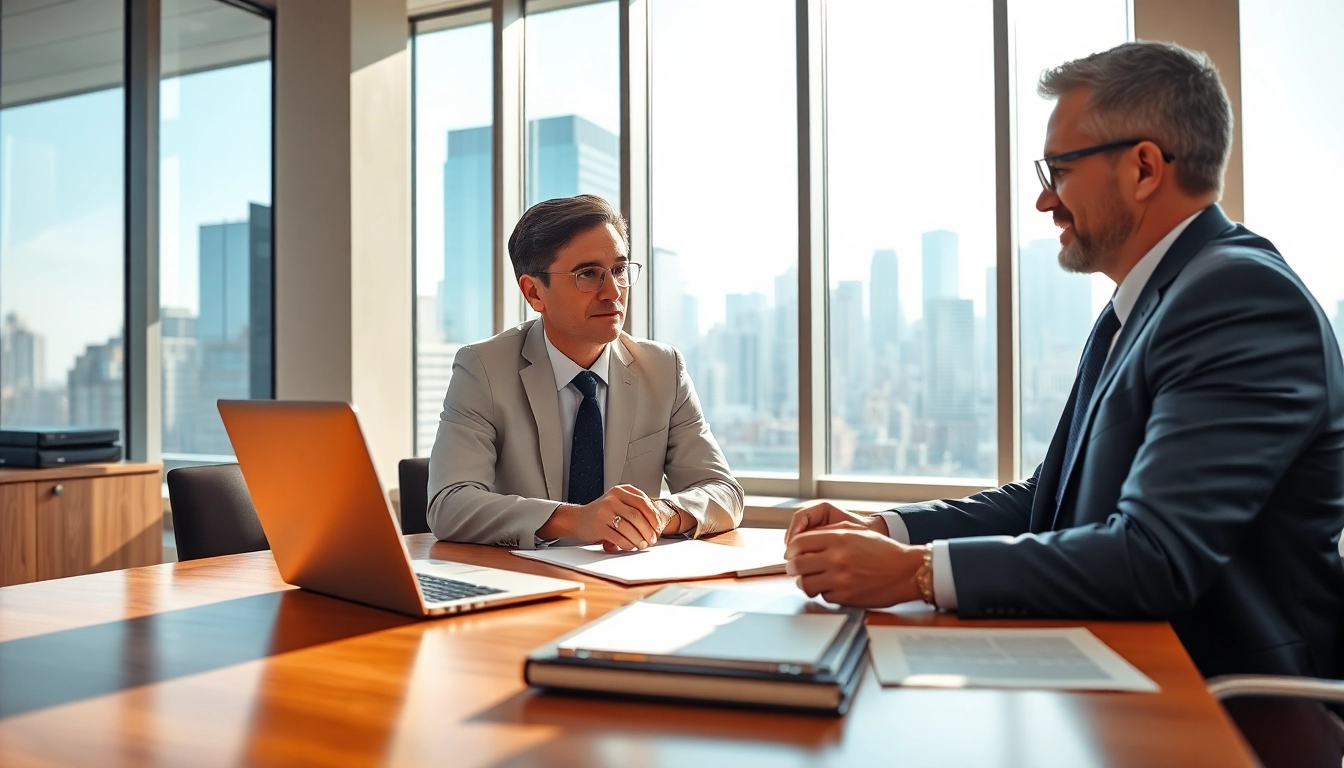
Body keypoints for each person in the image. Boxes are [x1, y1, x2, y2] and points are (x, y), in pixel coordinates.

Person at [784, 41, 1344, 682]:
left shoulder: (1240, 298)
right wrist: (890, 526)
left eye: (1060, 171)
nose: (1044, 202)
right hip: (1122, 681)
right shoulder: (1136, 309)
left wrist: (917, 572)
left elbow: (1154, 556)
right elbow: (1051, 501)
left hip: (1225, 711)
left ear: (1142, 168)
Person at [427, 194, 743, 551]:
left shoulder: (663, 369)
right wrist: (578, 519)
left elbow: (723, 491)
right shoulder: (483, 368)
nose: (613, 292)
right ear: (534, 292)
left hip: (625, 582)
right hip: (524, 584)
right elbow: (449, 504)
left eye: (620, 270)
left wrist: (659, 513)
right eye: (588, 274)